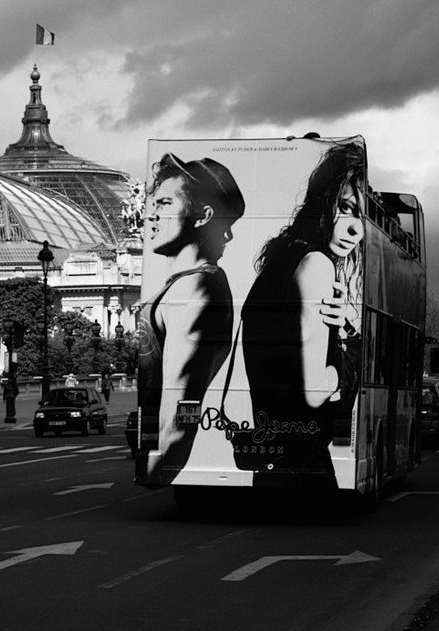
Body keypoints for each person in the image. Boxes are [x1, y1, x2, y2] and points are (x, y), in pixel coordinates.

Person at [240, 139, 365, 488]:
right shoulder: (317, 265)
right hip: (304, 459)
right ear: (321, 201)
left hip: (272, 453)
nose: (357, 230)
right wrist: (351, 352)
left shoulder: (281, 261)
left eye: (362, 215)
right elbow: (313, 392)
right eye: (345, 207)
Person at [138, 152, 245, 481]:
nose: (150, 215)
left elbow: (180, 405)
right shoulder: (187, 283)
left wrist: (154, 473)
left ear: (202, 216)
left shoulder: (195, 288)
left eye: (165, 203)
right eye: (152, 203)